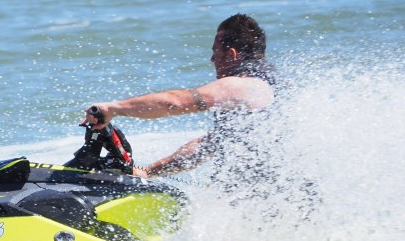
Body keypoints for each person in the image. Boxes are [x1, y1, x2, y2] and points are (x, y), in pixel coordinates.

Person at [82, 14, 277, 194]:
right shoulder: (270, 87)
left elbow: (175, 103)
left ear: (232, 55)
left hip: (264, 202)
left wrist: (113, 109)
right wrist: (149, 171)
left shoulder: (245, 86)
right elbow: (210, 144)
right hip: (265, 200)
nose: (212, 59)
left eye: (215, 52)